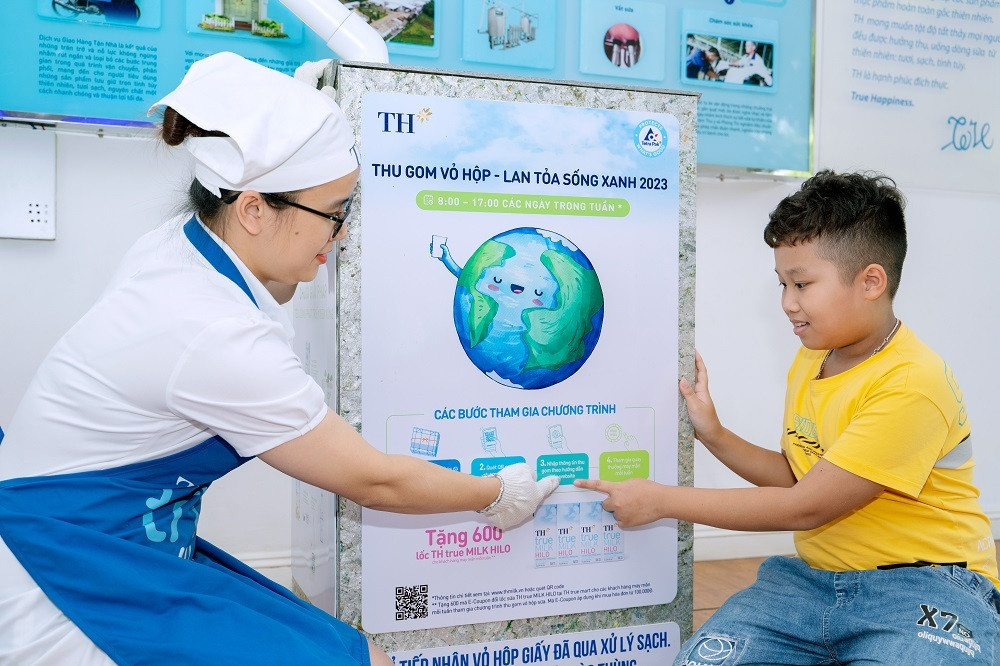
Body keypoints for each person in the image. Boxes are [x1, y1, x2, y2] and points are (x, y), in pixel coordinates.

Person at [0, 52, 559, 665]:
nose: (341, 234)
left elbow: (276, 291)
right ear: (253, 210)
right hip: (63, 568)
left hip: (126, 536)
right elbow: (375, 481)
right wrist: (497, 493)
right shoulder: (212, 332)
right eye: (334, 214)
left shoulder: (182, 247)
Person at [577, 171, 999, 664]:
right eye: (782, 283)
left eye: (801, 284)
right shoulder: (813, 357)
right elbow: (801, 477)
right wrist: (714, 434)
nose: (787, 303)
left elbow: (805, 507)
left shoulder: (912, 383)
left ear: (870, 282)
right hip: (813, 582)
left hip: (927, 584)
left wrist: (662, 501)